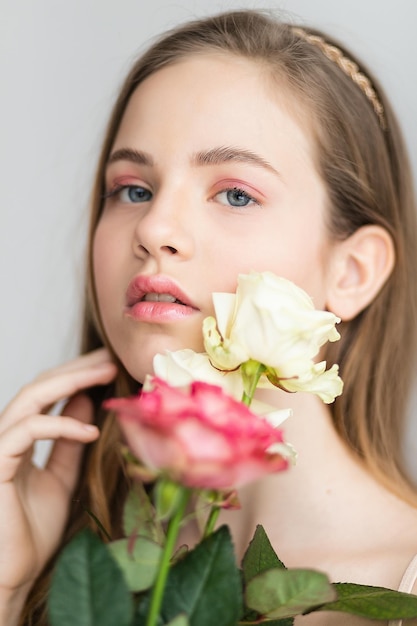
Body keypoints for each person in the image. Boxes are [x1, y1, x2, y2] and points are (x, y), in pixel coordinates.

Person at [1, 8, 417, 626]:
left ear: (352, 271)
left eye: (235, 193)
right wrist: (11, 593)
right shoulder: (66, 556)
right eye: (133, 188)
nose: (154, 228)